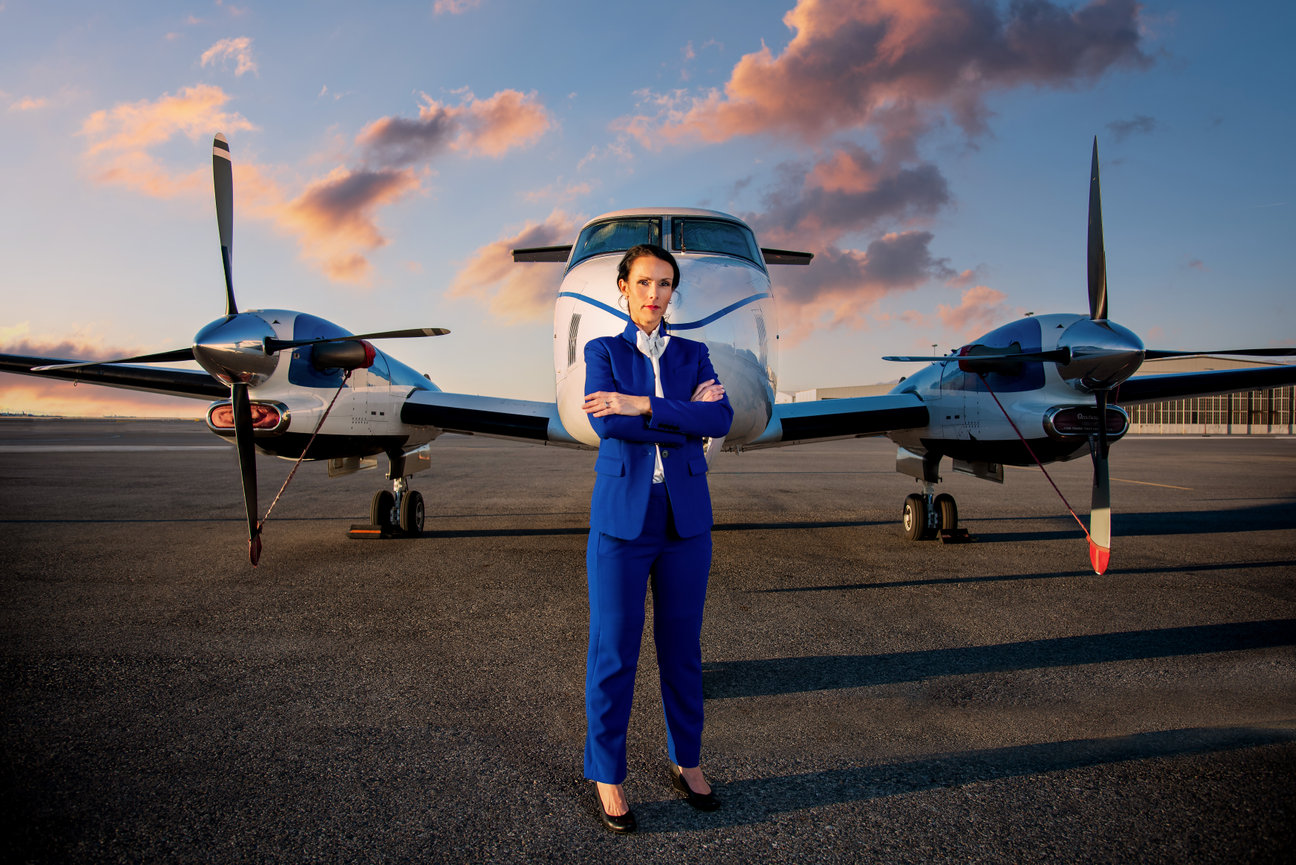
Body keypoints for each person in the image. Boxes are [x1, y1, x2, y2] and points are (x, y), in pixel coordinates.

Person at [581, 243, 733, 834]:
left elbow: (719, 421)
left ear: (673, 292)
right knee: (614, 652)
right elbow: (607, 421)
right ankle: (607, 774)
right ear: (623, 287)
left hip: (685, 520)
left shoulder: (695, 354)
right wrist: (678, 417)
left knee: (682, 651)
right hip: (623, 520)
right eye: (643, 283)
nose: (654, 295)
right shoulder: (603, 351)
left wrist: (643, 403)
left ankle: (686, 761)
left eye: (665, 284)